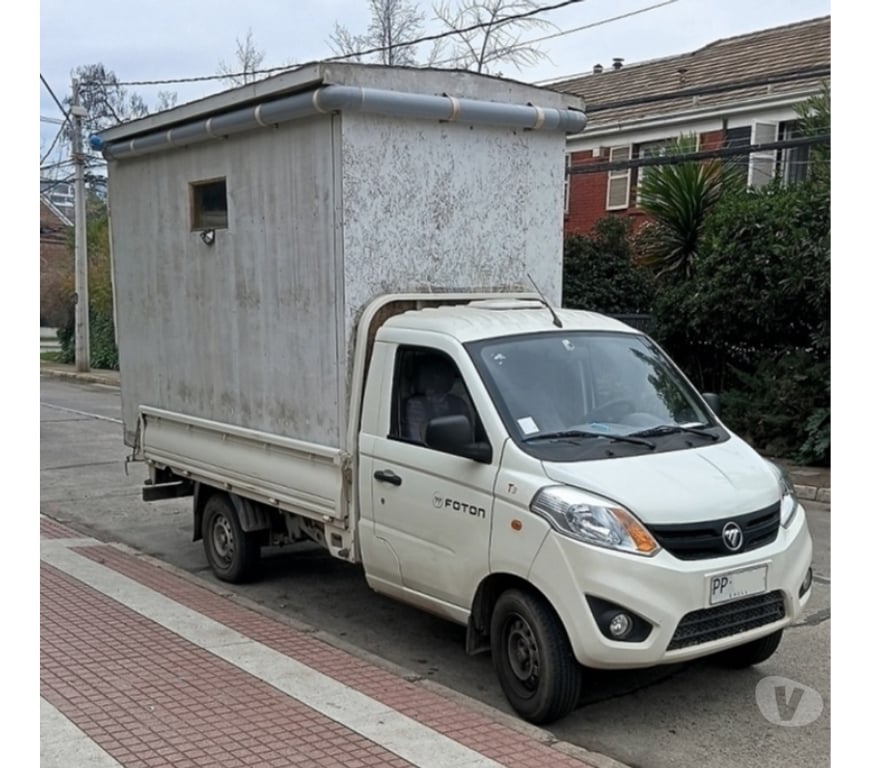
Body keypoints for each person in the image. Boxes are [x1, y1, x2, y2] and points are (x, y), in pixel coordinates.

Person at [403, 354, 471, 444]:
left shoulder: (458, 404)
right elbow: (417, 441)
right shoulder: (415, 406)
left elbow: (469, 442)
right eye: (436, 374)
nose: (441, 378)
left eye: (446, 372)